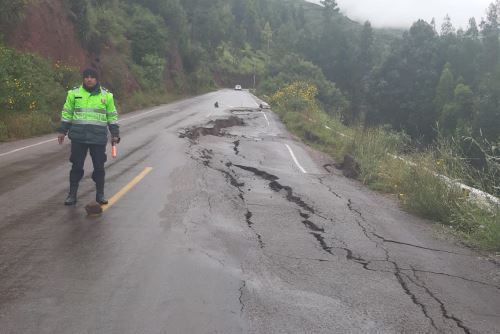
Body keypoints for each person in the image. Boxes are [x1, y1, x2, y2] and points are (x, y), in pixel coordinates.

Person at [57, 68, 120, 205]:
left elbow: (112, 116)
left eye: (92, 77)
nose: (89, 79)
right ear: (83, 78)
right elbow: (67, 113)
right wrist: (62, 131)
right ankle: (72, 195)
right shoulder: (74, 93)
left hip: (98, 138)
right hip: (79, 137)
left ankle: (100, 195)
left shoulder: (106, 95)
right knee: (76, 166)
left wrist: (115, 133)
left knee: (99, 167)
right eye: (86, 76)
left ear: (97, 79)